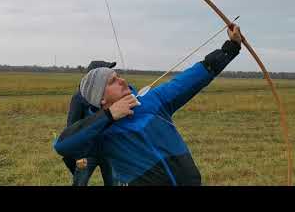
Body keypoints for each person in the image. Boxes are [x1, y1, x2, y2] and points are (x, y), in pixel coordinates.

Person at [54, 23, 242, 186]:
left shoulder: (153, 100)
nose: (121, 80)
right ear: (101, 99)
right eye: (111, 82)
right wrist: (109, 115)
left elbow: (193, 77)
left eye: (118, 76)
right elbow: (62, 145)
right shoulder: (101, 133)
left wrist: (230, 47)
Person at [63, 60, 135, 186]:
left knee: (113, 182)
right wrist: (77, 154)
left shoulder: (114, 96)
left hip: (109, 149)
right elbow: (72, 126)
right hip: (87, 152)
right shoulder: (79, 98)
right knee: (80, 182)